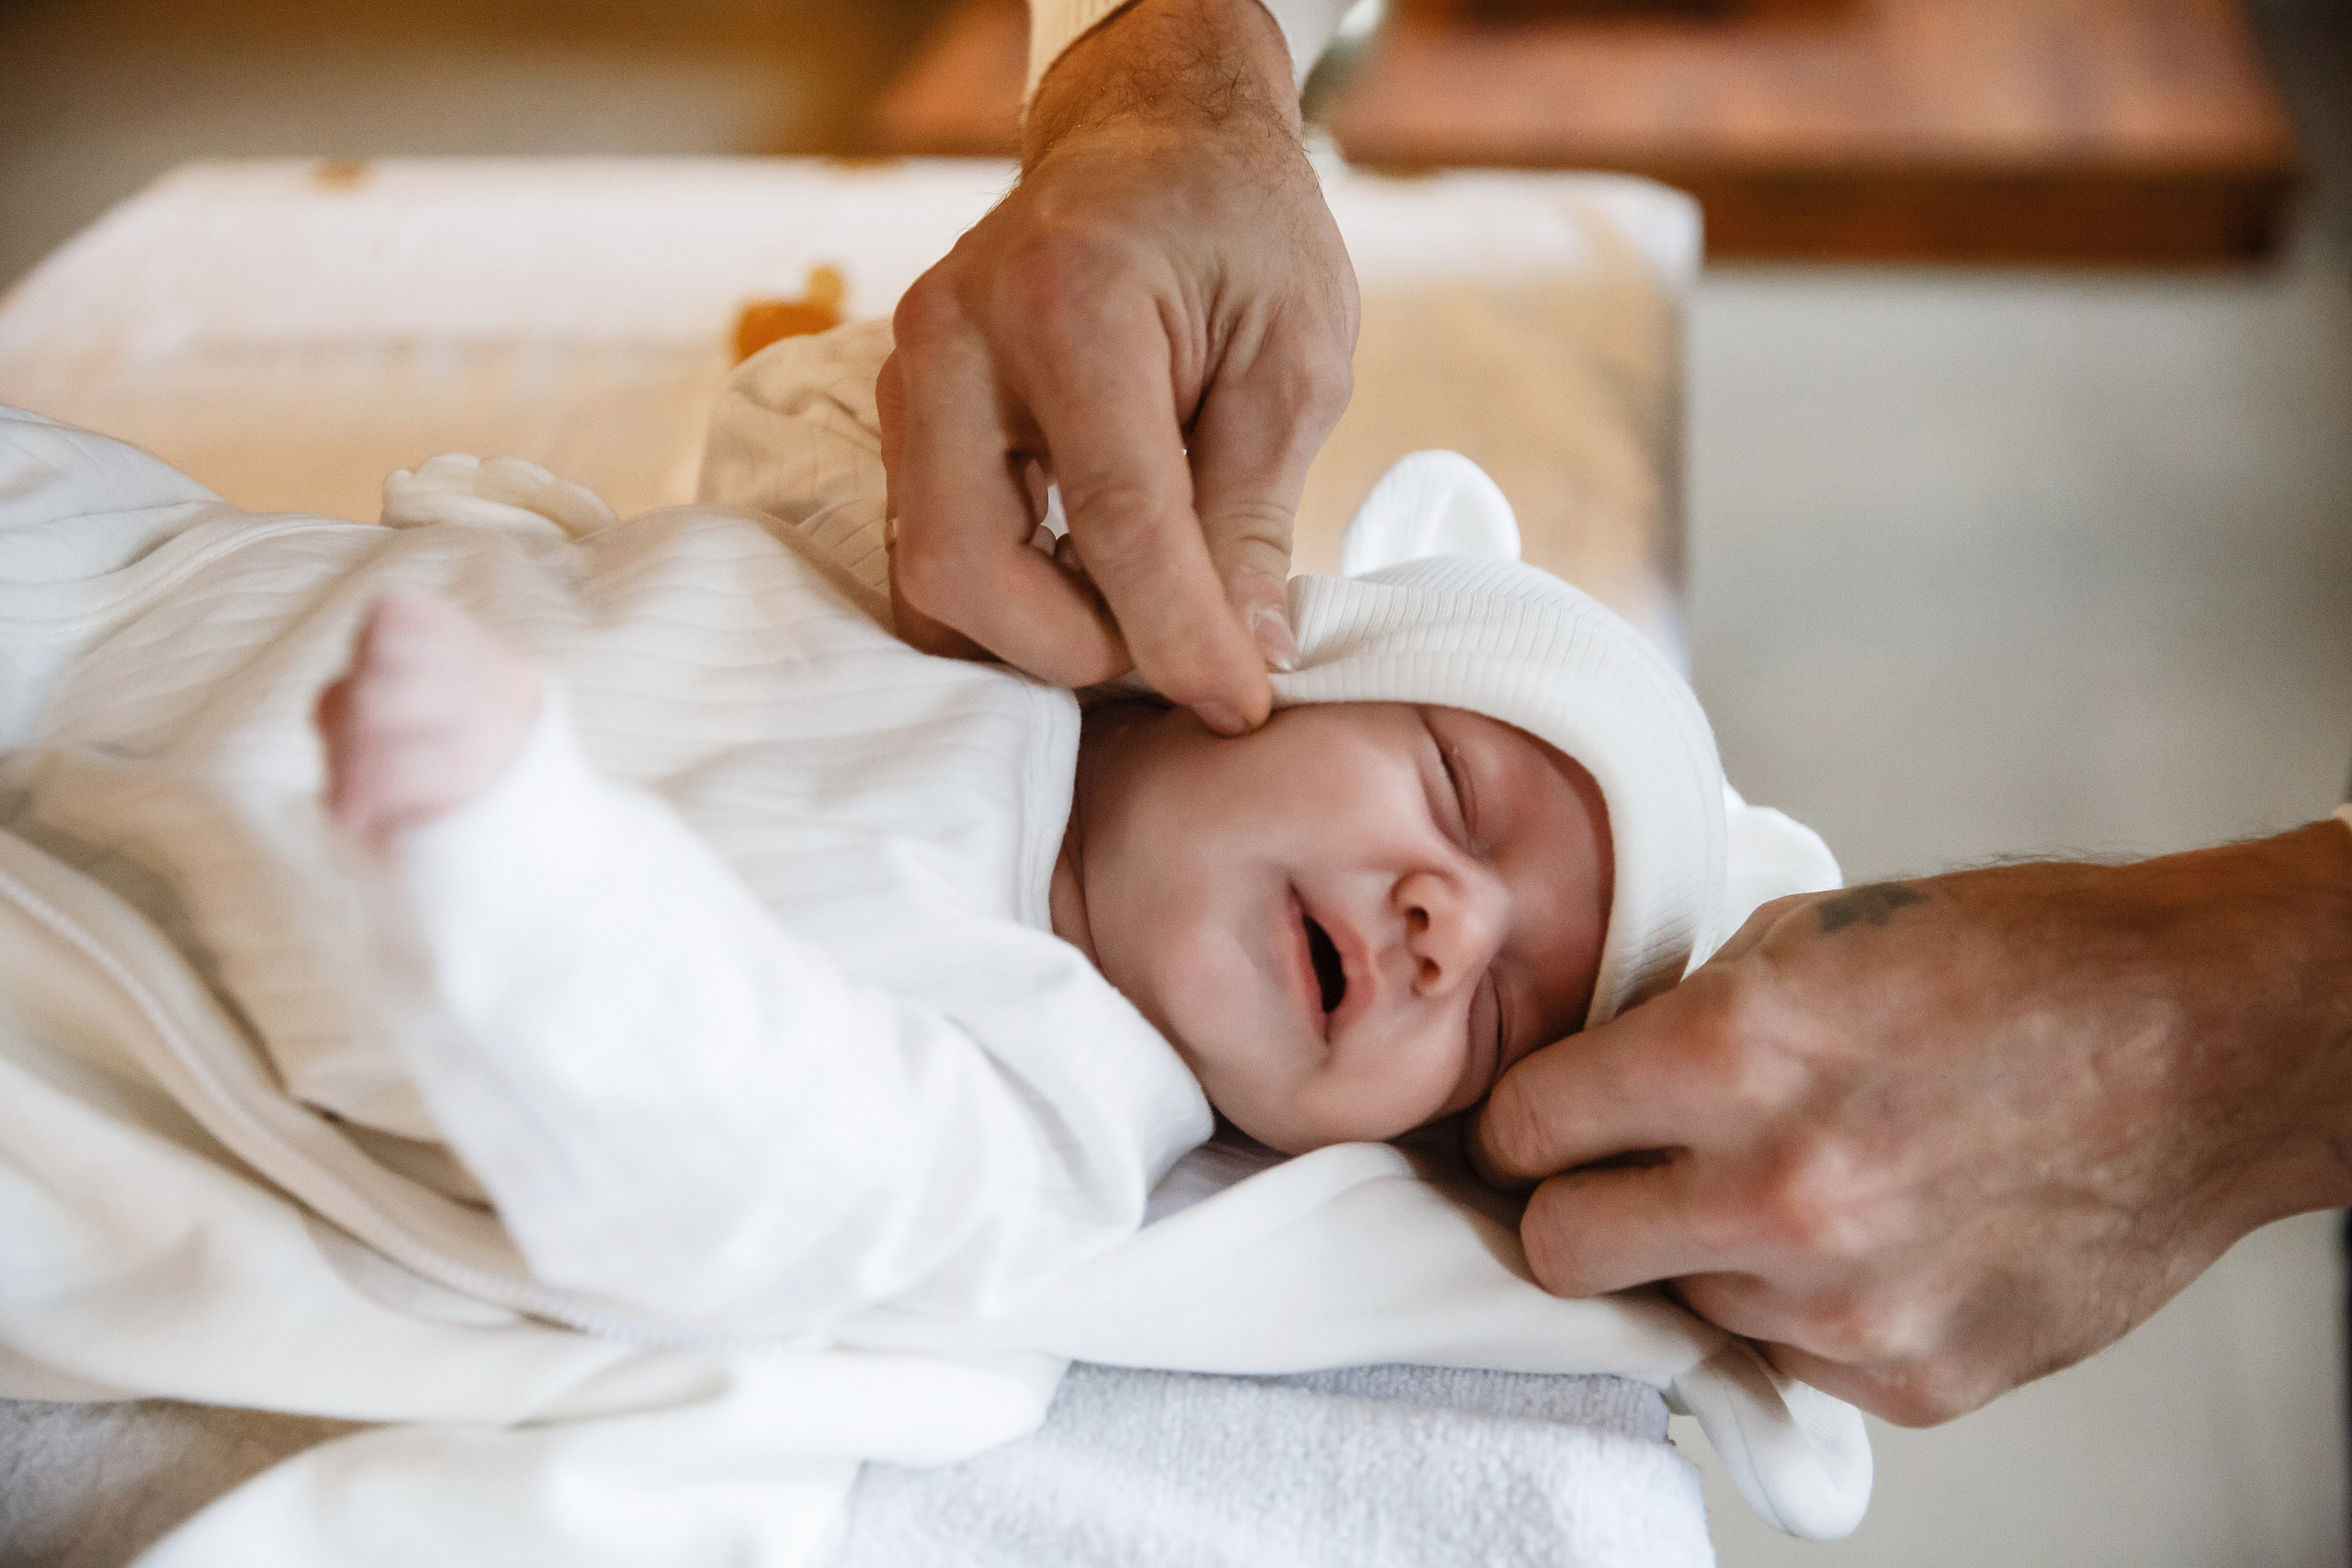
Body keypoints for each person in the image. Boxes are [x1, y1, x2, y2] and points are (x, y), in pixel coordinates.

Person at [889, 0, 2352, 1429]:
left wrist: (2247, 1038)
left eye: (1503, 1015)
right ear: (1269, 645)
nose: (1448, 929)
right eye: (1454, 790)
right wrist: (1172, 61)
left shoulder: (1046, 1133)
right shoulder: (929, 580)